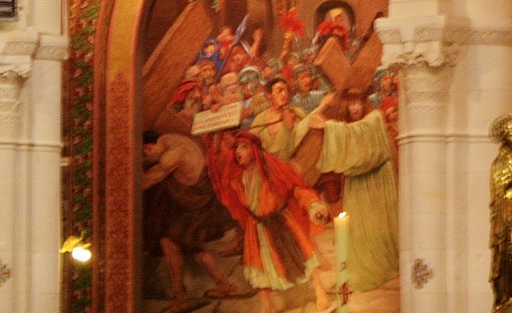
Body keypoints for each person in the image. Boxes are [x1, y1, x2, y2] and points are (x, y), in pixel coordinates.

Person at [214, 131, 331, 313]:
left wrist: (314, 206)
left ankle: (320, 291)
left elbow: (296, 189)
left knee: (303, 256)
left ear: (254, 150)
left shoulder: (271, 171)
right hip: (257, 228)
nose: (238, 152)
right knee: (259, 265)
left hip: (281, 223)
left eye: (244, 147)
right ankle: (266, 306)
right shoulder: (239, 180)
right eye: (237, 148)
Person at [141, 131, 247, 311]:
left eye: (145, 154)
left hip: (197, 205)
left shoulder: (174, 153)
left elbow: (151, 177)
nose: (147, 158)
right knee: (195, 249)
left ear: (148, 147)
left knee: (168, 242)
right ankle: (226, 286)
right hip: (199, 203)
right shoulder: (177, 140)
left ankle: (181, 298)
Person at [307, 89, 399, 292]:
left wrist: (327, 126)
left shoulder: (374, 118)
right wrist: (323, 107)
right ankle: (360, 273)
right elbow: (312, 122)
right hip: (357, 184)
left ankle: (383, 270)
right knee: (357, 230)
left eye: (358, 103)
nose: (355, 108)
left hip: (377, 183)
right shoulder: (346, 125)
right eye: (351, 103)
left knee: (377, 229)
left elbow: (359, 133)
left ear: (364, 103)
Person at [250, 77, 310, 162]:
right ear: (269, 95)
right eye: (280, 90)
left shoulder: (297, 113)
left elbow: (307, 138)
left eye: (286, 91)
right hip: (270, 166)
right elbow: (252, 146)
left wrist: (289, 127)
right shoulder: (259, 120)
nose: (284, 94)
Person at [489, 113, 512, 313]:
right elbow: (500, 189)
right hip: (507, 217)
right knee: (506, 256)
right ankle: (506, 300)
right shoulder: (501, 161)